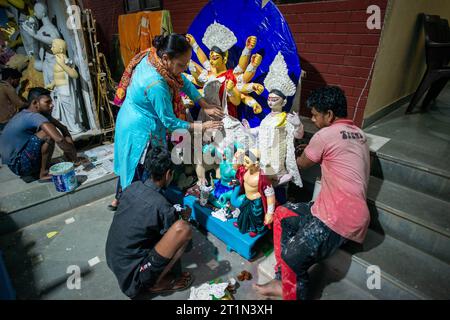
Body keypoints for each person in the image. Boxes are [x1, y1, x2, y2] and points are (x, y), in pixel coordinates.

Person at [254, 86, 371, 300]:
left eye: (316, 115)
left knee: (292, 255)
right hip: (338, 210)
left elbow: (299, 164)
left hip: (339, 218)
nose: (314, 121)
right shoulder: (359, 134)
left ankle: (293, 293)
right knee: (282, 214)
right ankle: (282, 279)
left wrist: (279, 167)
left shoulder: (325, 134)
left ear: (329, 115)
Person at [109, 33, 223, 210]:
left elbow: (182, 80)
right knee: (142, 169)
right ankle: (138, 207)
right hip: (140, 129)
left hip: (130, 115)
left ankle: (119, 198)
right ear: (166, 58)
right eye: (181, 65)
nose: (184, 69)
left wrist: (204, 104)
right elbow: (170, 122)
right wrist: (202, 126)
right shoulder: (156, 84)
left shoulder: (152, 56)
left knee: (129, 165)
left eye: (186, 64)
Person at [106, 147, 194, 299]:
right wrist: (184, 219)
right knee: (183, 229)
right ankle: (156, 283)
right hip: (133, 280)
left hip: (115, 261)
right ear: (168, 174)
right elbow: (186, 246)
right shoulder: (162, 206)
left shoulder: (132, 187)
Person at [0, 87, 78, 180]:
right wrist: (75, 157)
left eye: (51, 102)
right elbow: (59, 139)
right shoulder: (33, 116)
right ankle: (43, 174)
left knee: (49, 131)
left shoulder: (35, 113)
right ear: (35, 103)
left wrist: (73, 158)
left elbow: (63, 128)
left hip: (17, 161)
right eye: (47, 102)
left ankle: (47, 167)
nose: (52, 105)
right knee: (47, 134)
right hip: (19, 166)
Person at [46, 38, 84, 135]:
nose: (52, 47)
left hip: (66, 90)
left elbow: (74, 75)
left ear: (61, 49)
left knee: (70, 110)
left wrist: (62, 64)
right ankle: (69, 128)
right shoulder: (57, 60)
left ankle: (75, 128)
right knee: (64, 113)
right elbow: (59, 76)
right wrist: (52, 84)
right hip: (59, 90)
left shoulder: (66, 61)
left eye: (54, 46)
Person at [0, 67, 26, 132]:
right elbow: (20, 104)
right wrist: (30, 103)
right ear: (11, 79)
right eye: (17, 81)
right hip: (8, 121)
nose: (18, 84)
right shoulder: (7, 87)